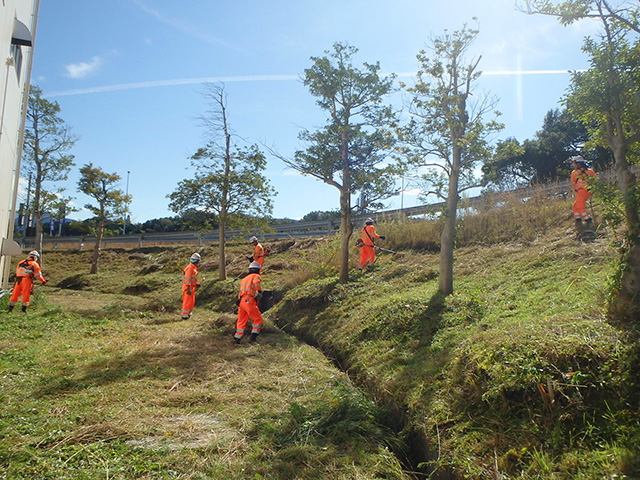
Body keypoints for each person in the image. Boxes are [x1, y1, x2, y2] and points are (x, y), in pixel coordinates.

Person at [234, 261, 263, 344]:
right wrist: (260, 291)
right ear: (258, 270)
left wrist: (239, 300)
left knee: (241, 320)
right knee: (258, 319)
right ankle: (253, 338)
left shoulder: (244, 279)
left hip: (242, 301)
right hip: (249, 300)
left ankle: (237, 338)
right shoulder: (256, 276)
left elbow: (241, 290)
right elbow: (256, 283)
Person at [570, 156, 596, 225]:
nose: (574, 165)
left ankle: (587, 218)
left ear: (578, 164)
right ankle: (577, 217)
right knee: (576, 204)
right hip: (589, 191)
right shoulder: (590, 171)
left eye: (574, 164)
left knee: (579, 205)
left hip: (581, 190)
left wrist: (575, 189)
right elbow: (595, 180)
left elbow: (573, 183)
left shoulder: (574, 172)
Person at [181, 252, 201, 320]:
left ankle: (188, 313)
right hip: (188, 287)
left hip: (192, 287)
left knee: (191, 301)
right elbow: (188, 278)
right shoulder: (190, 268)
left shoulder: (193, 267)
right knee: (187, 301)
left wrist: (196, 284)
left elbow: (192, 278)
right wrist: (188, 288)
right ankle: (184, 315)